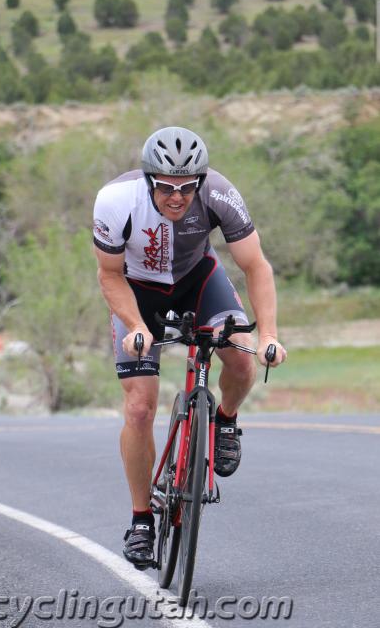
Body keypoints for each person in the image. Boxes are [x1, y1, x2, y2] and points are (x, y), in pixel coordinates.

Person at [93, 126, 287, 570]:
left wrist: (270, 334)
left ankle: (225, 421)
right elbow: (109, 274)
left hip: (197, 279)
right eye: (166, 187)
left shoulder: (220, 193)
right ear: (148, 180)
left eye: (186, 187)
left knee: (241, 356)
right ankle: (142, 520)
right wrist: (136, 325)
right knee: (140, 408)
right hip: (137, 291)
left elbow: (256, 265)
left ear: (200, 180)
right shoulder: (115, 200)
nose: (177, 197)